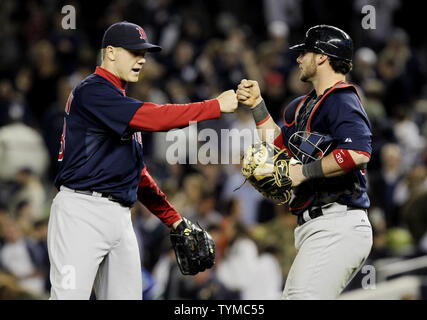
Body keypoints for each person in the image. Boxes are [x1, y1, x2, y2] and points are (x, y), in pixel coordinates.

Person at [48, 21, 237, 300]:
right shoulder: (93, 91)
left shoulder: (118, 103)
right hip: (81, 212)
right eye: (134, 52)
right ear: (110, 53)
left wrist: (174, 220)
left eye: (144, 53)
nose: (142, 59)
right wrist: (214, 106)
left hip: (120, 217)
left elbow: (136, 174)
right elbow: (156, 118)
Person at [236, 25, 373, 299]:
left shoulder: (342, 98)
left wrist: (303, 172)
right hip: (317, 226)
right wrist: (257, 105)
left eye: (305, 53)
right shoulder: (304, 104)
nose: (298, 59)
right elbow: (278, 146)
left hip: (338, 222)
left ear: (322, 57)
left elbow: (359, 153)